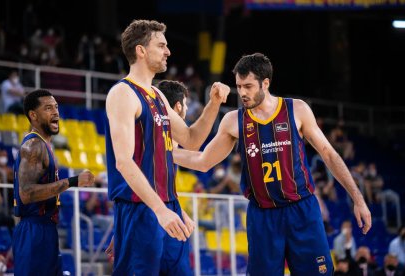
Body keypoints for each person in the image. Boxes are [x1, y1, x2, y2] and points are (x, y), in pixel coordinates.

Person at [173, 52, 372, 275]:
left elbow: (329, 154)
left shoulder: (296, 109)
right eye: (239, 86)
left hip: (301, 209)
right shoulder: (233, 121)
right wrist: (165, 152)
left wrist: (358, 198)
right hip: (263, 215)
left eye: (248, 86)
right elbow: (202, 161)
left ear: (265, 83)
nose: (242, 93)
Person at [104, 19, 230, 275]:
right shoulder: (122, 94)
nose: (168, 52)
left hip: (168, 206)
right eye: (161, 45)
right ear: (141, 50)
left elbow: (192, 139)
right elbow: (124, 162)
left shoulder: (158, 95)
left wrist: (214, 104)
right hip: (141, 208)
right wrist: (159, 209)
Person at [12, 89, 95, 276]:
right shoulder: (33, 146)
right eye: (48, 108)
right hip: (34, 230)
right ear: (33, 115)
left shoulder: (44, 144)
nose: (55, 112)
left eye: (56, 107)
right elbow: (26, 194)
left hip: (46, 228)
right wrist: (73, 181)